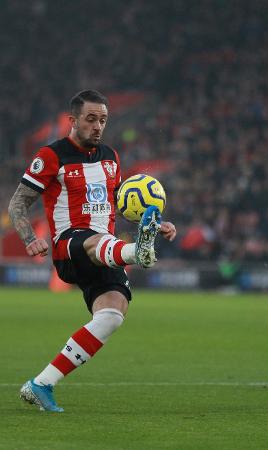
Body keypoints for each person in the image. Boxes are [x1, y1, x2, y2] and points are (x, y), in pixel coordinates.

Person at [8, 89, 177, 412]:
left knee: (111, 316)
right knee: (95, 240)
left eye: (102, 120)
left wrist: (155, 221)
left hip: (104, 248)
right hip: (70, 246)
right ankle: (136, 254)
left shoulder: (111, 156)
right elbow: (18, 203)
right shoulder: (51, 155)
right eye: (90, 119)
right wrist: (30, 238)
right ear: (73, 121)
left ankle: (41, 384)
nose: (97, 126)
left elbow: (119, 204)